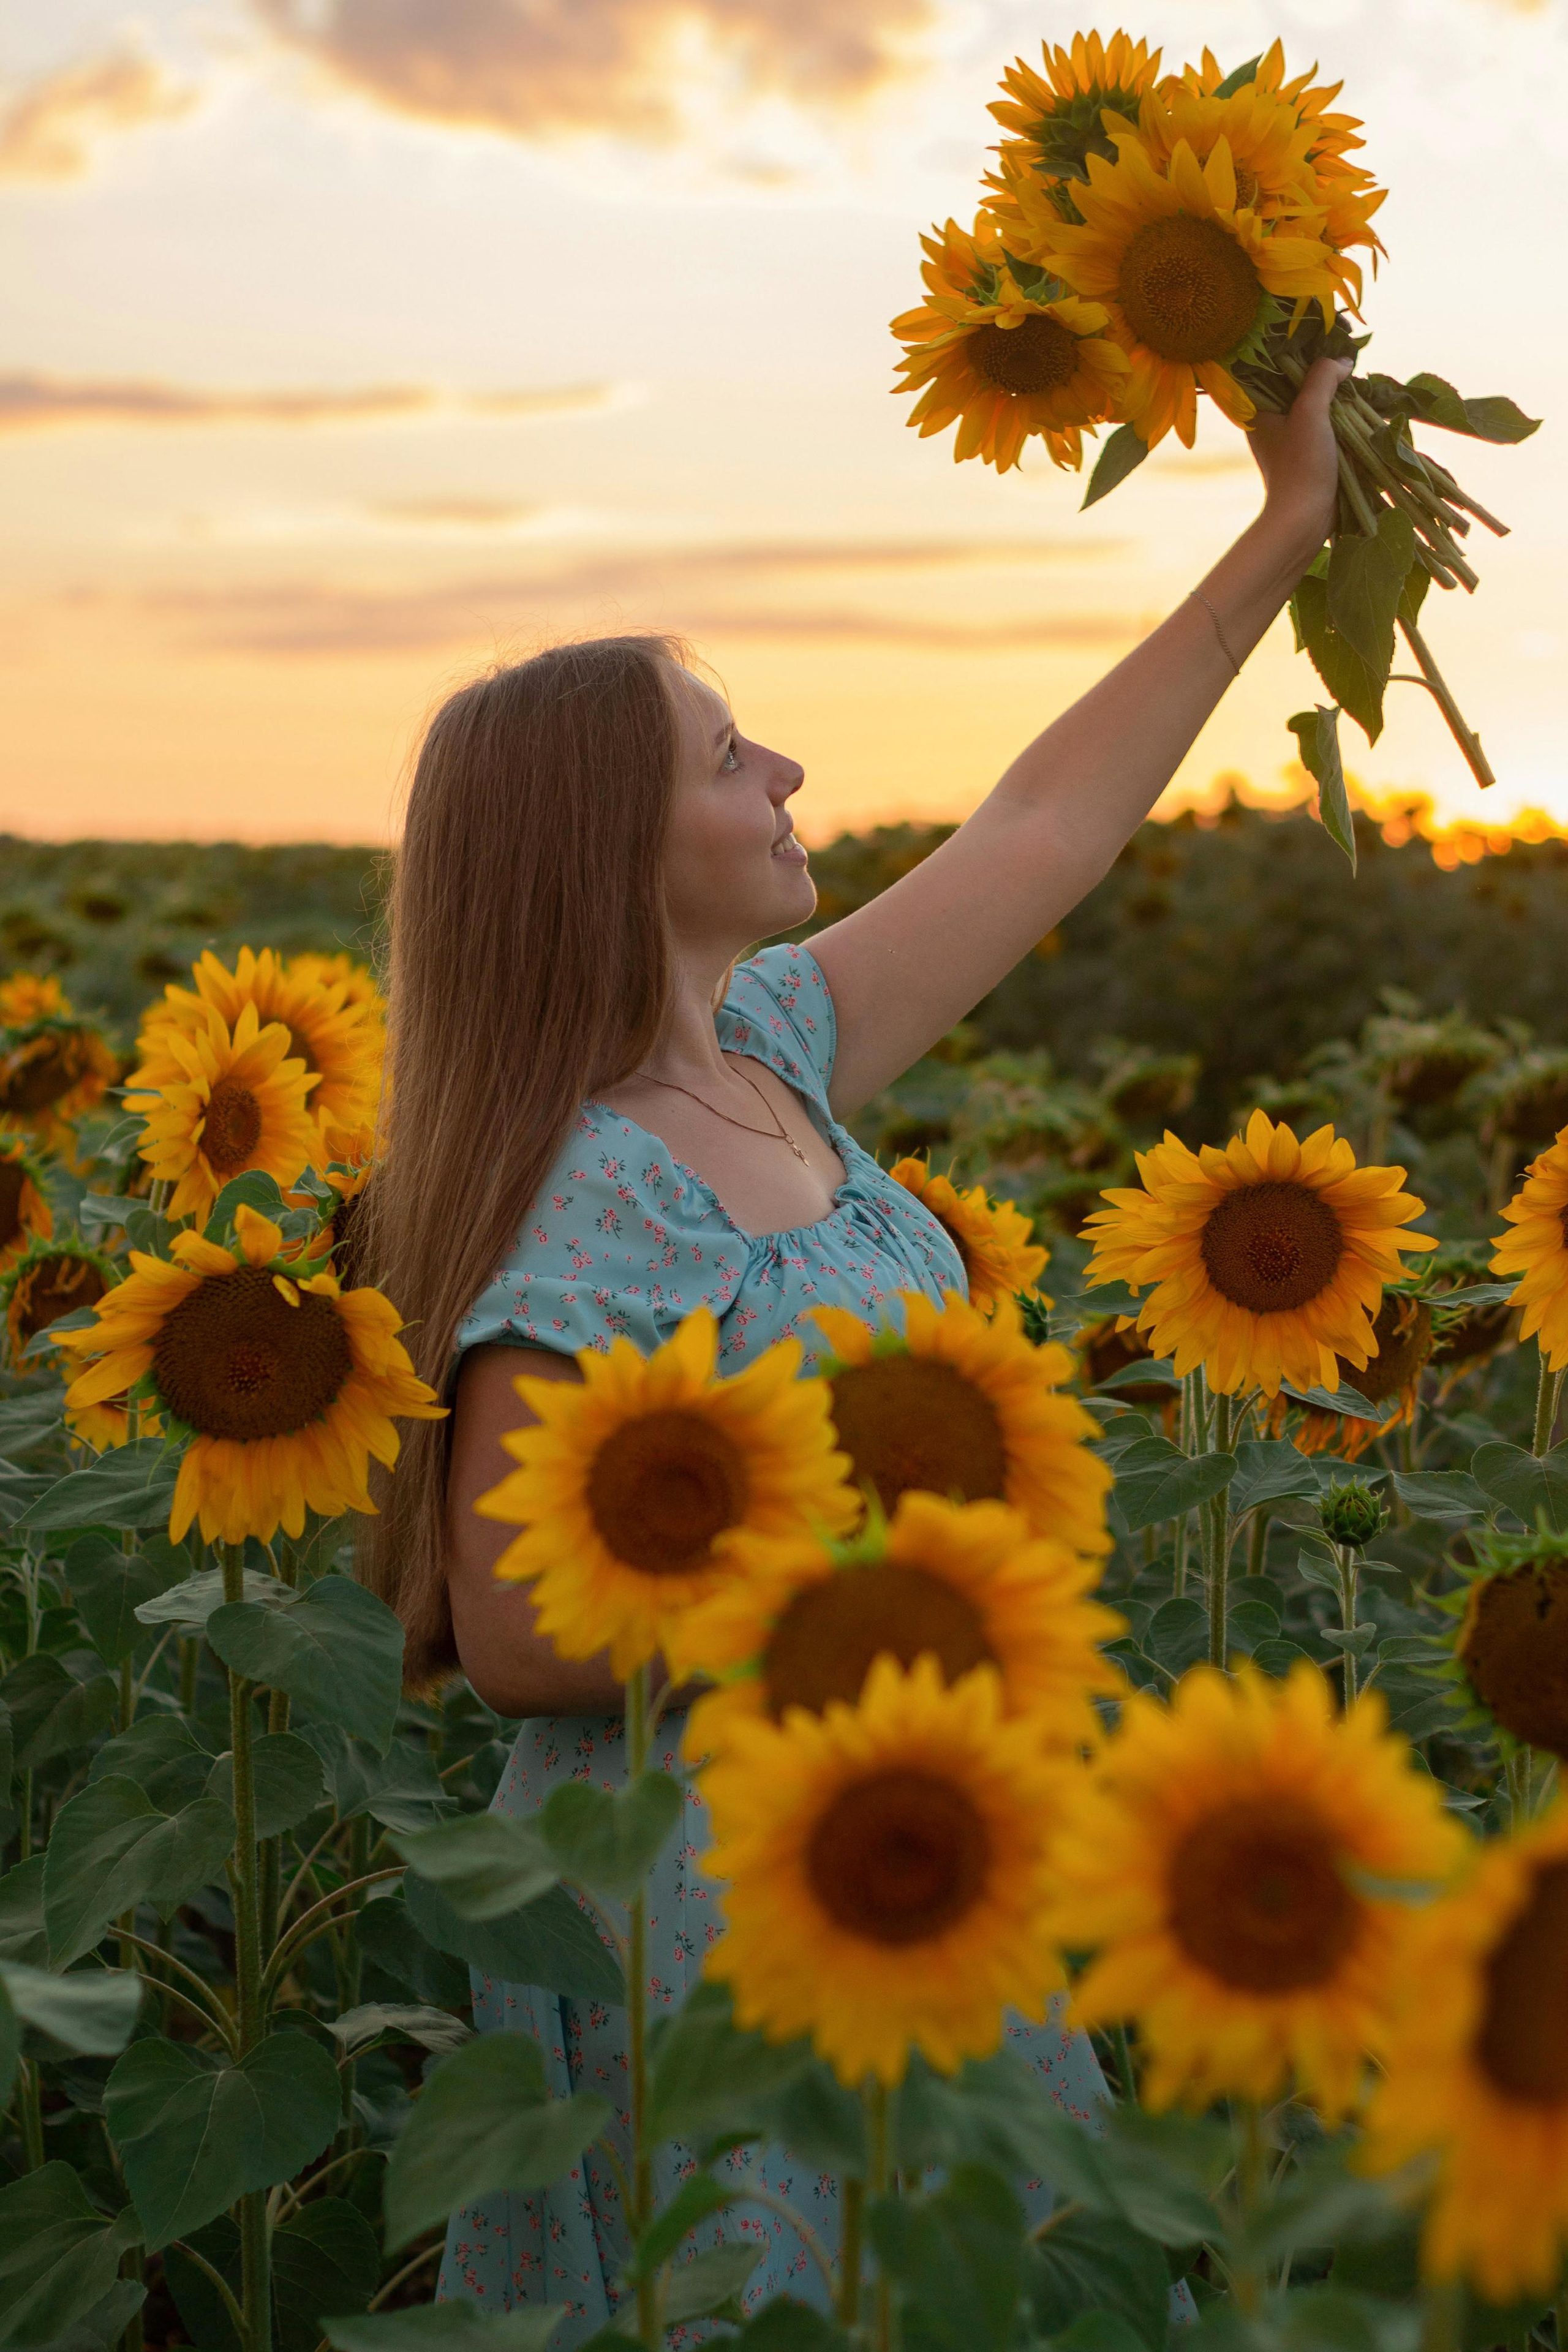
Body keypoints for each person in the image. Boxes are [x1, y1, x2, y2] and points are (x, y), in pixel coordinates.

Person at [361, 356, 1349, 2334]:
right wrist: (875, 1557)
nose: (788, 776)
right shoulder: (597, 1188)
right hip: (713, 1916)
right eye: (730, 759)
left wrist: (1282, 533)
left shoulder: (779, 1060)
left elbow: (1053, 819)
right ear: (600, 846)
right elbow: (522, 1628)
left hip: (894, 1833)